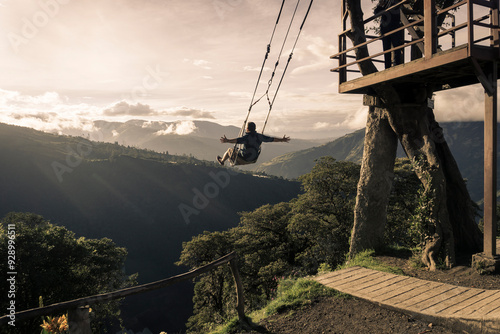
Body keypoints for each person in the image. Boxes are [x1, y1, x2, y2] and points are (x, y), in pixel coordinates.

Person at [217, 122, 290, 166]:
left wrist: (227, 140)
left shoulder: (246, 137)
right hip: (253, 159)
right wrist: (282, 140)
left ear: (247, 129)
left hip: (244, 158)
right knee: (237, 150)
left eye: (246, 128)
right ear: (254, 129)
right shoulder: (260, 136)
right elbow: (272, 139)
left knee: (230, 150)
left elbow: (236, 140)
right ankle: (231, 160)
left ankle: (222, 161)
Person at [374, 0, 404, 69]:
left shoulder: (394, 2)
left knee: (396, 47)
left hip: (394, 27)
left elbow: (395, 9)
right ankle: (387, 67)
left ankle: (397, 65)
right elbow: (376, 13)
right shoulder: (385, 4)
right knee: (387, 49)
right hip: (385, 29)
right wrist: (380, 5)